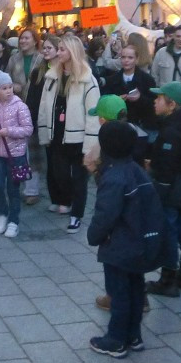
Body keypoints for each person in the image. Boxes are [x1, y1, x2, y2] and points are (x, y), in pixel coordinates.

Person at [86, 121, 165, 359]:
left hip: (120, 247)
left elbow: (106, 214)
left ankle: (116, 339)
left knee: (119, 295)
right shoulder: (136, 170)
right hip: (139, 245)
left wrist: (94, 235)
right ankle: (134, 335)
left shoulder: (114, 177)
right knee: (134, 292)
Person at [37, 34, 101, 233]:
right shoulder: (52, 76)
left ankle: (76, 216)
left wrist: (90, 146)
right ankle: (69, 202)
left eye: (63, 49)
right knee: (60, 175)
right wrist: (43, 133)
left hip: (78, 137)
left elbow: (93, 114)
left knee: (79, 179)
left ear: (72, 52)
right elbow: (44, 106)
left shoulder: (87, 79)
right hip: (57, 135)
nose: (59, 52)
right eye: (60, 48)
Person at [144, 82, 181, 297]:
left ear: (171, 104)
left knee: (169, 231)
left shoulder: (170, 131)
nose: (155, 102)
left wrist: (157, 186)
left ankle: (169, 278)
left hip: (171, 189)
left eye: (159, 98)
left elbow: (166, 169)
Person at [0, 70, 33, 240]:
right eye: (4, 88)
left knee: (13, 189)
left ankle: (14, 220)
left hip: (16, 154)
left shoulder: (20, 106)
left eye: (10, 87)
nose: (8, 91)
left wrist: (9, 131)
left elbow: (28, 129)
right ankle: (2, 214)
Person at [6, 27, 45, 204]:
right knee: (19, 149)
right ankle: (19, 181)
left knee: (33, 150)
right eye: (21, 38)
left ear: (35, 40)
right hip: (17, 107)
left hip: (36, 108)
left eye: (27, 38)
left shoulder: (42, 59)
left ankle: (32, 189)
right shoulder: (14, 59)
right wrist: (12, 86)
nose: (23, 41)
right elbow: (5, 80)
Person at [101, 44, 158, 136]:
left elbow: (154, 105)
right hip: (118, 127)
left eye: (130, 58)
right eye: (123, 57)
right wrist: (116, 100)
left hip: (141, 127)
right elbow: (106, 104)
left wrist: (140, 98)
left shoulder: (147, 80)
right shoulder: (112, 79)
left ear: (137, 59)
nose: (126, 60)